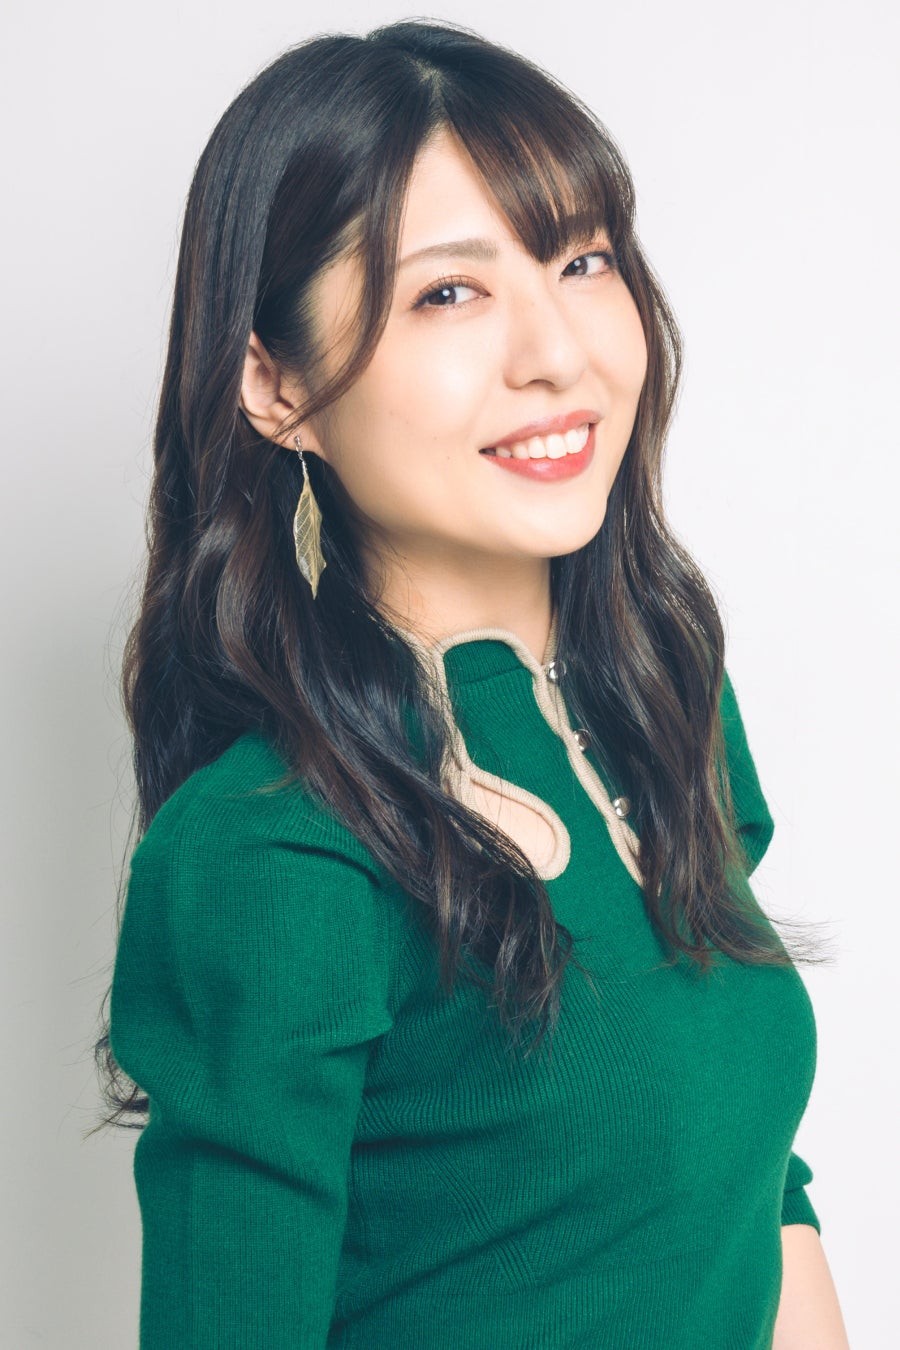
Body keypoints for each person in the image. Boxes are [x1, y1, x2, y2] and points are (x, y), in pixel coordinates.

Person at [94, 18, 850, 1348]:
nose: (557, 351)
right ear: (276, 383)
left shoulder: (666, 700)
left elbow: (748, 1178)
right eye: (449, 293)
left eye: (582, 260)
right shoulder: (270, 849)